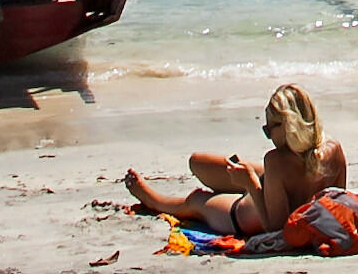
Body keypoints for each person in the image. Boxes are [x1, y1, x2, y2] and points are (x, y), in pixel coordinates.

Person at [125, 83, 346, 238]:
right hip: (273, 186)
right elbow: (338, 206)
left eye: (270, 130)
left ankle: (153, 200)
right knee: (198, 162)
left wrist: (250, 185)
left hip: (248, 214)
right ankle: (240, 176)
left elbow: (276, 229)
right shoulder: (334, 150)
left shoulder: (276, 161)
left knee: (197, 200)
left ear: (289, 126)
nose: (268, 136)